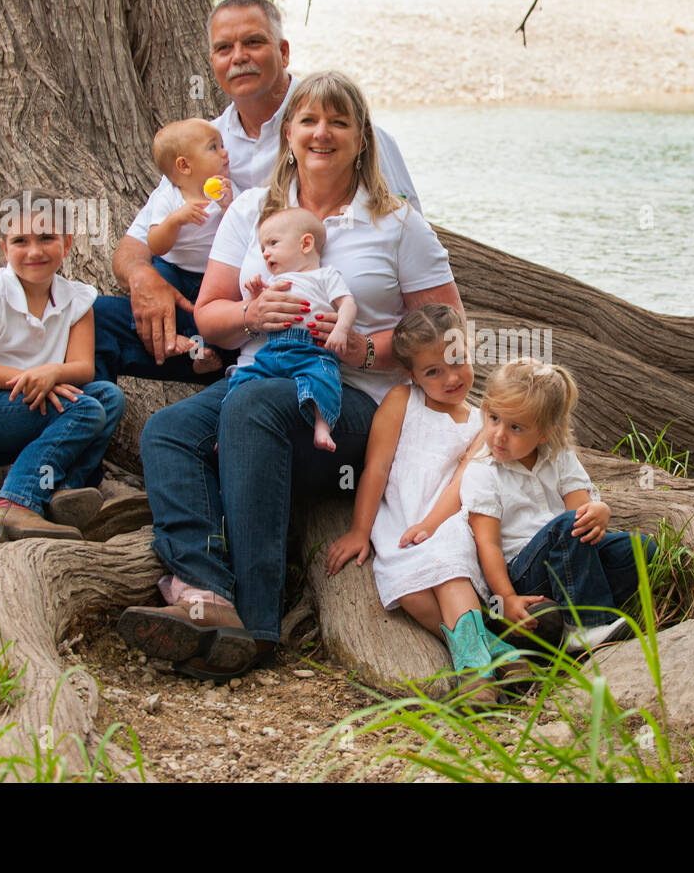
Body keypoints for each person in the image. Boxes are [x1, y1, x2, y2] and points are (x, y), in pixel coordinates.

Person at [118, 71, 462, 681]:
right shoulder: (252, 209)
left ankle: (255, 627)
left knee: (255, 413)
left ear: (362, 138)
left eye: (338, 121)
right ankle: (204, 591)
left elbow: (448, 327)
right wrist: (249, 314)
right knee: (170, 431)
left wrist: (361, 347)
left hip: (357, 406)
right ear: (288, 134)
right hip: (258, 379)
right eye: (307, 121)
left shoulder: (397, 221)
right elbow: (210, 314)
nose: (321, 133)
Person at [94, 0, 419, 384]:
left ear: (283, 52)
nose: (238, 57)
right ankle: (88, 423)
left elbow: (409, 236)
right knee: (92, 322)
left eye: (253, 42)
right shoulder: (205, 144)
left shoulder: (336, 134)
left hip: (304, 316)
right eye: (223, 48)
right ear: (212, 63)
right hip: (219, 314)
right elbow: (133, 246)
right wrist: (144, 279)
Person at [324, 304, 520, 701]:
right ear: (410, 374)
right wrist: (361, 530)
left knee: (448, 572)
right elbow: (376, 467)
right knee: (409, 591)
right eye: (433, 372)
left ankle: (475, 675)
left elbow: (464, 483)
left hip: (449, 518)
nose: (451, 378)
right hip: (400, 519)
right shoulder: (401, 401)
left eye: (457, 361)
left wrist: (432, 524)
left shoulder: (483, 421)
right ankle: (499, 652)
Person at [0, 189, 125, 542]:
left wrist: (51, 373)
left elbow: (81, 368)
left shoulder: (76, 299)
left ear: (66, 245)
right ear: (5, 249)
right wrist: (27, 378)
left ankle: (61, 493)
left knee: (108, 398)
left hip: (17, 417)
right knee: (84, 411)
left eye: (47, 238)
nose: (34, 251)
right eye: (20, 240)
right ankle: (14, 505)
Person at [461, 359, 658, 650]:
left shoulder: (559, 457)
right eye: (493, 419)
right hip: (525, 573)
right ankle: (583, 627)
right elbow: (487, 545)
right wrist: (506, 597)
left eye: (515, 427)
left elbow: (582, 509)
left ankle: (573, 607)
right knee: (567, 527)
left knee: (643, 551)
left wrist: (601, 512)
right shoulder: (484, 472)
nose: (499, 435)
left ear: (544, 433)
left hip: (571, 556)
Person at [227, 206, 356, 451]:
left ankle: (322, 425)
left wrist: (341, 328)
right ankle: (227, 429)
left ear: (305, 244)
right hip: (273, 349)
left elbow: (347, 303)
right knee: (241, 379)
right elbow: (263, 313)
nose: (266, 254)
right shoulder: (277, 281)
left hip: (311, 349)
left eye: (273, 243)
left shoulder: (325, 275)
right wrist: (256, 296)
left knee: (324, 378)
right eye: (263, 248)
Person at [142, 116, 236, 375]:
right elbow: (156, 245)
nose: (225, 152)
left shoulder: (227, 191)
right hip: (172, 268)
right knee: (152, 296)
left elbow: (240, 233)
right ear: (184, 165)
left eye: (222, 145)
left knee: (203, 313)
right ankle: (167, 340)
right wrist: (175, 220)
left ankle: (200, 355)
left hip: (209, 274)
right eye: (213, 147)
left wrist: (228, 206)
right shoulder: (169, 197)